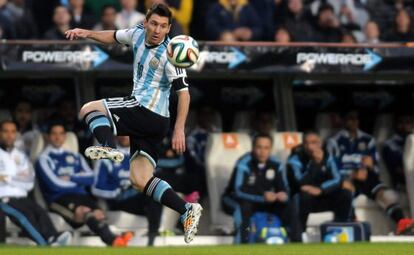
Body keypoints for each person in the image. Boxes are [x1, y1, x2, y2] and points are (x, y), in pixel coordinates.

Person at [64, 3, 202, 243]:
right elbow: (113, 37)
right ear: (146, 21)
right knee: (139, 180)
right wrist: (87, 32)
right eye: (154, 24)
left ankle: (107, 145)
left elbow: (184, 93)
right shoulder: (137, 33)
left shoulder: (171, 54)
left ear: (169, 28)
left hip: (145, 110)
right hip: (152, 124)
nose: (158, 30)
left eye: (163, 26)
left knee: (88, 108)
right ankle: (186, 209)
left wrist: (180, 128)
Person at [35, 123, 130, 246]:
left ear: (65, 136)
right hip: (58, 198)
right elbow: (54, 184)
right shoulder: (44, 159)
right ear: (48, 137)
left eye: (61, 134)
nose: (58, 137)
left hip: (81, 195)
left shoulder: (76, 156)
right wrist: (79, 181)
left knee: (98, 212)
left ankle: (115, 238)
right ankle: (112, 240)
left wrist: (70, 178)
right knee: (83, 211)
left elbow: (92, 178)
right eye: (54, 134)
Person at [327, 111, 414, 235]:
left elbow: (376, 167)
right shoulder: (334, 141)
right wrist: (351, 174)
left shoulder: (368, 140)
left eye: (356, 118)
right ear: (343, 120)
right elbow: (331, 168)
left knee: (384, 193)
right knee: (346, 192)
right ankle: (352, 225)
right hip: (346, 179)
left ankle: (402, 222)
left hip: (367, 178)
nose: (354, 122)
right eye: (350, 118)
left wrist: (371, 166)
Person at [0, 120, 72, 246]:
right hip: (4, 199)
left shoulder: (20, 155)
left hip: (22, 197)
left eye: (13, 131)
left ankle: (53, 237)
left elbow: (29, 181)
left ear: (16, 134)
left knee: (40, 211)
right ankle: (46, 244)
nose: (9, 135)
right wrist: (17, 178)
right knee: (25, 217)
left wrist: (8, 178)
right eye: (5, 131)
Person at [222, 134, 292, 244]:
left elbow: (285, 189)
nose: (262, 151)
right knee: (243, 207)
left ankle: (294, 242)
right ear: (253, 147)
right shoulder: (244, 162)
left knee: (289, 205)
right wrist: (263, 197)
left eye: (266, 148)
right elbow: (238, 190)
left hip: (262, 201)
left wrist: (283, 196)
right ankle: (242, 244)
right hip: (233, 199)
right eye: (259, 147)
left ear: (270, 149)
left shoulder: (276, 164)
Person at [92, 136, 162, 246]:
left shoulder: (142, 154)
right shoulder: (105, 155)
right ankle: (152, 237)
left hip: (139, 199)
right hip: (119, 201)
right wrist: (116, 192)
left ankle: (153, 235)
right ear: (115, 134)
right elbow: (95, 188)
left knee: (155, 190)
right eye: (122, 133)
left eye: (128, 133)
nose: (125, 136)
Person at [287, 131, 352, 239]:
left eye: (313, 142)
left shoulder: (328, 156)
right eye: (306, 143)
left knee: (345, 193)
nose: (310, 146)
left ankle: (339, 230)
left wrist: (321, 189)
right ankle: (299, 236)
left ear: (320, 143)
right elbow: (300, 183)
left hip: (324, 195)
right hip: (305, 199)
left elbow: (337, 179)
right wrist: (315, 164)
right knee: (303, 195)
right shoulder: (295, 159)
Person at [382, 114, 413, 190]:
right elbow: (400, 170)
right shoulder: (390, 145)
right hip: (403, 187)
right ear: (399, 125)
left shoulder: (411, 140)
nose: (412, 125)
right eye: (409, 122)